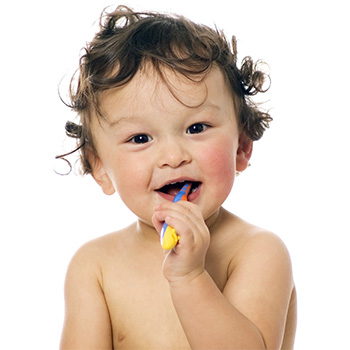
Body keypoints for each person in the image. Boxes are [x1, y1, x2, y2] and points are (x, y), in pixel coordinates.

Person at [58, 5, 297, 350]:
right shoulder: (94, 266)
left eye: (196, 128)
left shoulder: (257, 252)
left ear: (242, 147)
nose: (173, 157)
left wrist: (190, 277)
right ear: (99, 168)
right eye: (140, 139)